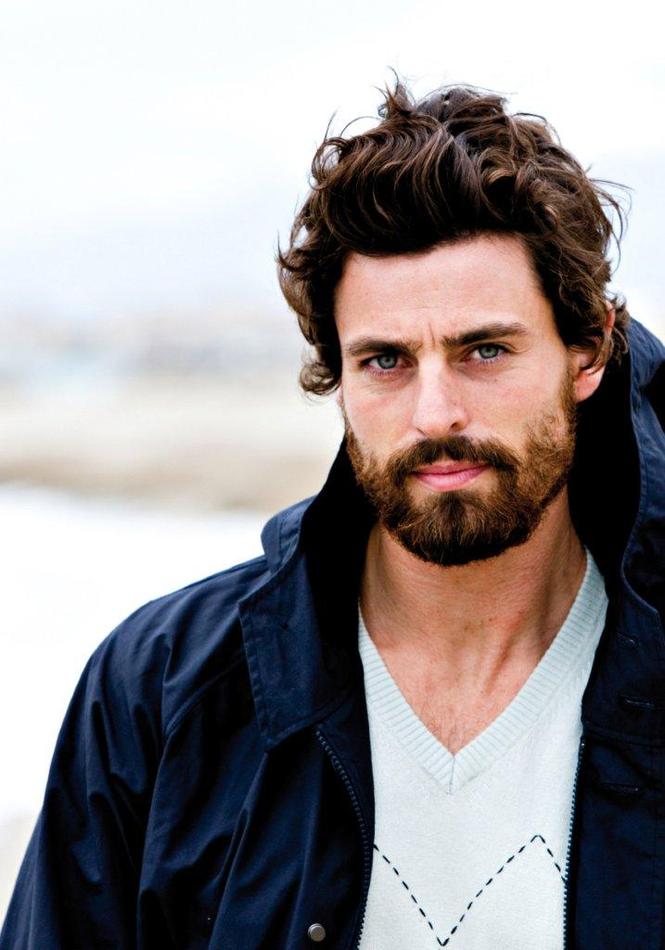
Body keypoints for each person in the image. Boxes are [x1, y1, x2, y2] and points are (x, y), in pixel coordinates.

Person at [2, 78, 664, 950]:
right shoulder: (162, 690)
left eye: (484, 350)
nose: (434, 414)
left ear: (588, 352)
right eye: (386, 361)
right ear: (338, 378)